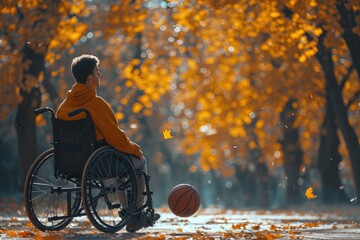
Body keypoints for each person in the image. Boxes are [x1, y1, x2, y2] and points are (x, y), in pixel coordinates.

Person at [56, 54, 159, 232]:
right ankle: (135, 214)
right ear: (90, 79)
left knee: (120, 163)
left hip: (71, 162)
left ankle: (129, 212)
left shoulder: (64, 106)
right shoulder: (96, 105)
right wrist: (134, 149)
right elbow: (115, 138)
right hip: (101, 163)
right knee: (139, 162)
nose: (100, 74)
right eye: (97, 72)